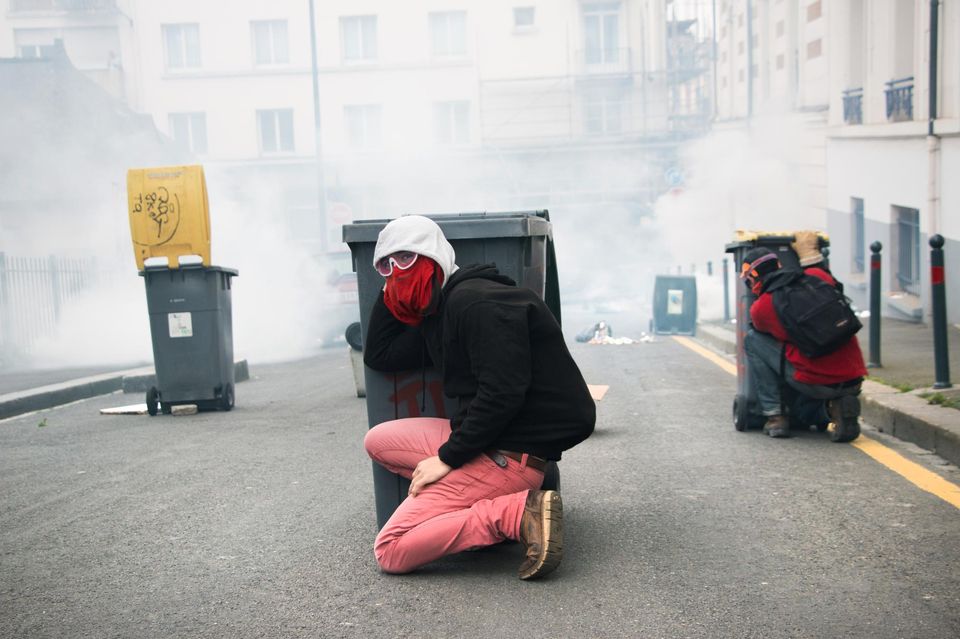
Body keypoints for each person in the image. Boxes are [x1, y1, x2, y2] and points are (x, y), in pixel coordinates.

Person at [362, 215, 596, 580]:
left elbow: (503, 392)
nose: (396, 271)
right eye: (385, 265)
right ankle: (482, 499)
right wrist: (391, 290)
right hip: (489, 444)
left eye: (406, 259)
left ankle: (515, 513)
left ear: (434, 257)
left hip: (508, 454)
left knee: (391, 549)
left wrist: (447, 458)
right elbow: (381, 353)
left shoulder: (478, 304)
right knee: (378, 440)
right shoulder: (441, 310)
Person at [741, 241, 867, 441]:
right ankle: (834, 410)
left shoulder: (761, 308)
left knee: (753, 340)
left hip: (817, 382)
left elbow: (780, 340)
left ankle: (775, 416)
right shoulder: (818, 276)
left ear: (754, 278)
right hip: (854, 375)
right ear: (779, 265)